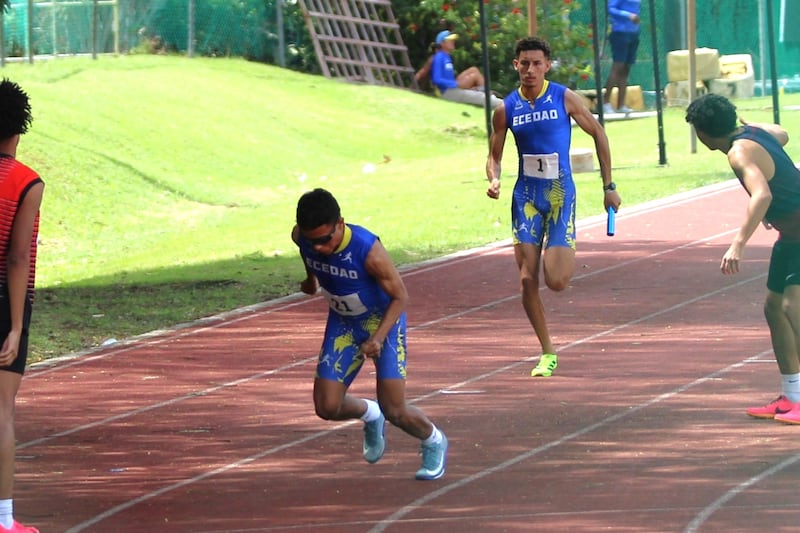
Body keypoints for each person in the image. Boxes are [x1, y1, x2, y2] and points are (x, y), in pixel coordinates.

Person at [485, 36, 621, 377]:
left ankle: (561, 244)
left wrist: (609, 186)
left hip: (560, 196)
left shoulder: (563, 97)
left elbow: (598, 133)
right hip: (525, 198)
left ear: (547, 65)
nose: (530, 69)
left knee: (557, 281)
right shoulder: (506, 109)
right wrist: (494, 178)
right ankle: (547, 351)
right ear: (516, 65)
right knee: (527, 279)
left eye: (537, 63)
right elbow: (494, 156)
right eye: (524, 63)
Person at [292, 188, 448, 479]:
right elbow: (307, 253)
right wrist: (311, 279)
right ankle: (369, 414)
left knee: (395, 410)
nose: (319, 248)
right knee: (326, 407)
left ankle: (433, 440)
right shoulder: (302, 237)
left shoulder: (368, 250)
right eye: (312, 242)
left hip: (382, 322)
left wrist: (377, 338)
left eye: (325, 240)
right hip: (343, 323)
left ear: (340, 224)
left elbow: (401, 297)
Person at [685, 93, 800, 425]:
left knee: (792, 307)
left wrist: (738, 244)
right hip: (791, 235)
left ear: (703, 134)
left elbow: (762, 194)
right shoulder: (757, 133)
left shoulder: (738, 153)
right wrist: (753, 124)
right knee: (774, 308)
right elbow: (782, 133)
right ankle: (792, 396)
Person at [0, 79, 45, 533]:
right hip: (2, 300)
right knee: (1, 412)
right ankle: (3, 521)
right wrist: (15, 326)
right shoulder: (26, 182)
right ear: (18, 130)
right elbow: (16, 257)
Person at [429, 30, 502, 109]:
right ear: (442, 43)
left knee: (474, 70)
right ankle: (496, 100)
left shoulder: (446, 56)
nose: (453, 41)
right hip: (447, 92)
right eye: (450, 40)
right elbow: (436, 79)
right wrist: (455, 84)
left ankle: (485, 93)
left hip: (452, 88)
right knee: (478, 95)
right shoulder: (439, 57)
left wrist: (455, 84)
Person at [602, 0, 641, 115]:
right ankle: (605, 103)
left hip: (634, 33)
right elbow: (611, 9)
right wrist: (628, 15)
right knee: (618, 66)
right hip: (620, 32)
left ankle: (621, 105)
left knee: (626, 69)